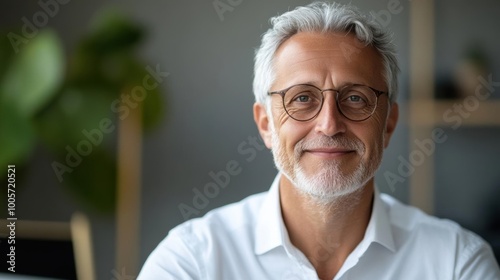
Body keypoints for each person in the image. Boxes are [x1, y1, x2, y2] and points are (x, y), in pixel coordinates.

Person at [138, 2, 500, 279]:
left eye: (355, 98)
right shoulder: (192, 262)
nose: (329, 124)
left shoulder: (456, 263)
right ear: (265, 124)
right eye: (302, 98)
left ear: (388, 123)